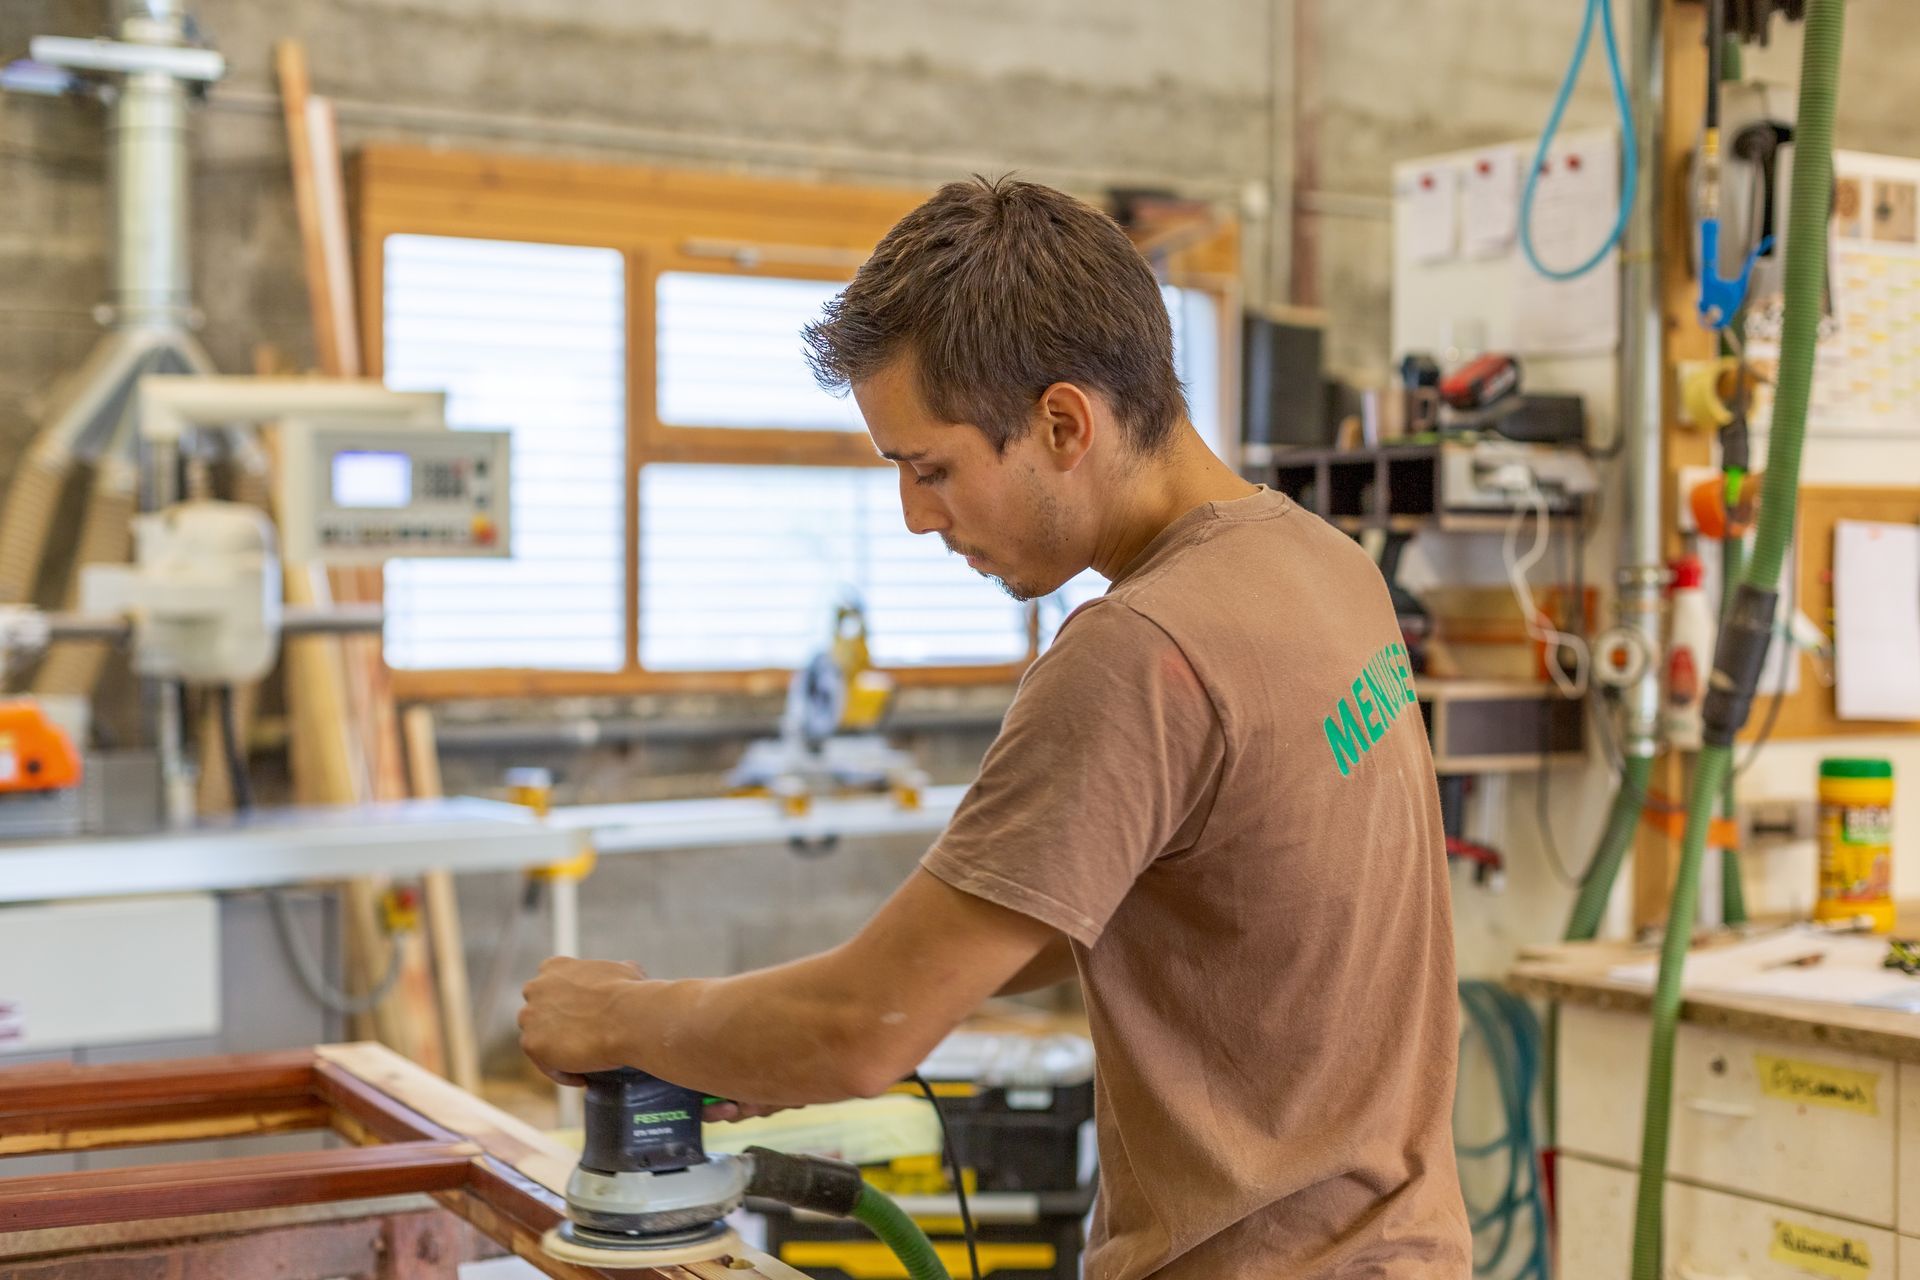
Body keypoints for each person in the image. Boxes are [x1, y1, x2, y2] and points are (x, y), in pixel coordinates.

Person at [520, 176, 1470, 1277]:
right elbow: (1144, 903)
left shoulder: (1141, 650)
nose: (920, 517)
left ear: (1064, 422)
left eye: (932, 468)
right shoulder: (1324, 565)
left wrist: (626, 1018)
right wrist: (774, 1024)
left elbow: (862, 1030)